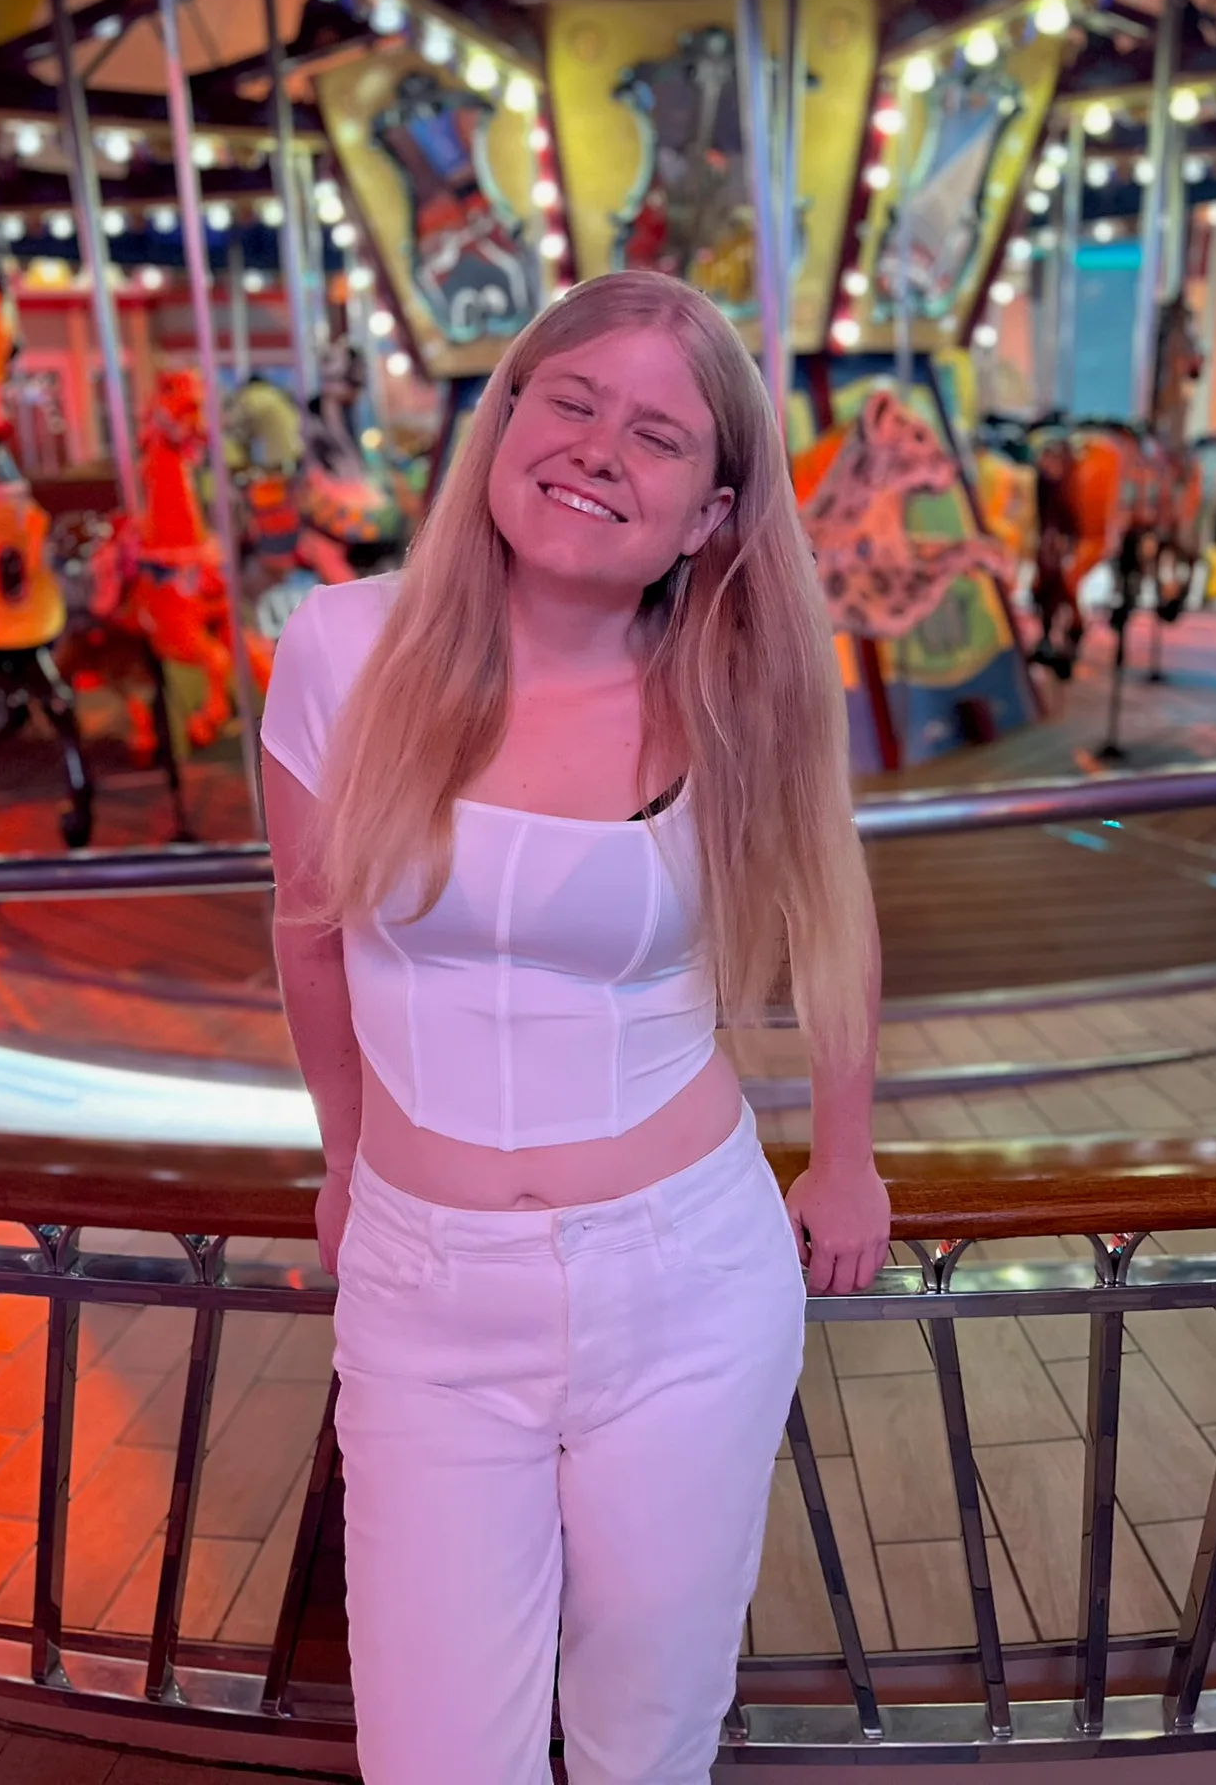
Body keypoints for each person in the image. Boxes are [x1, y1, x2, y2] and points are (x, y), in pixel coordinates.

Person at [261, 270, 888, 1785]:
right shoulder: (341, 649)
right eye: (573, 401)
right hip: (425, 1289)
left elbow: (834, 918)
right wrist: (344, 1159)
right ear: (505, 419)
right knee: (433, 1757)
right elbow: (308, 932)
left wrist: (847, 1155)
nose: (600, 448)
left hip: (688, 1283)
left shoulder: (739, 687)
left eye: (658, 436)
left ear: (712, 513)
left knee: (647, 1740)